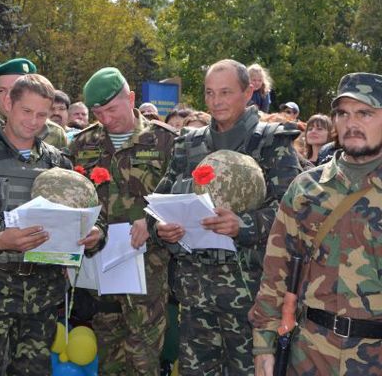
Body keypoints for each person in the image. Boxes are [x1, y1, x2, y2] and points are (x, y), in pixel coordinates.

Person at [0, 74, 105, 375]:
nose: (33, 121)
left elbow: (91, 215)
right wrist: (0, 240)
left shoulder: (58, 164)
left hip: (40, 304)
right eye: (26, 111)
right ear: (7, 104)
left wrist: (94, 234)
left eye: (42, 114)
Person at [151, 59, 301, 375]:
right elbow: (159, 203)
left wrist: (243, 224)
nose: (216, 101)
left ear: (248, 93)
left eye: (225, 92)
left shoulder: (273, 142)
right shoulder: (187, 144)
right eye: (209, 93)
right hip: (195, 295)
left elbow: (292, 213)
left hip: (251, 295)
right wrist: (161, 228)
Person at [250, 72, 382, 376]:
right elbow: (276, 272)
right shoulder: (307, 188)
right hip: (309, 354)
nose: (352, 123)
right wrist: (263, 346)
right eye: (343, 114)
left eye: (365, 113)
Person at [69, 67, 176, 375]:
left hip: (148, 268)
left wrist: (151, 220)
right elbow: (75, 198)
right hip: (100, 267)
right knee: (108, 357)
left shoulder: (164, 141)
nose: (105, 118)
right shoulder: (81, 145)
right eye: (97, 112)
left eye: (111, 109)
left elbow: (177, 196)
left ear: (131, 99)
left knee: (143, 358)